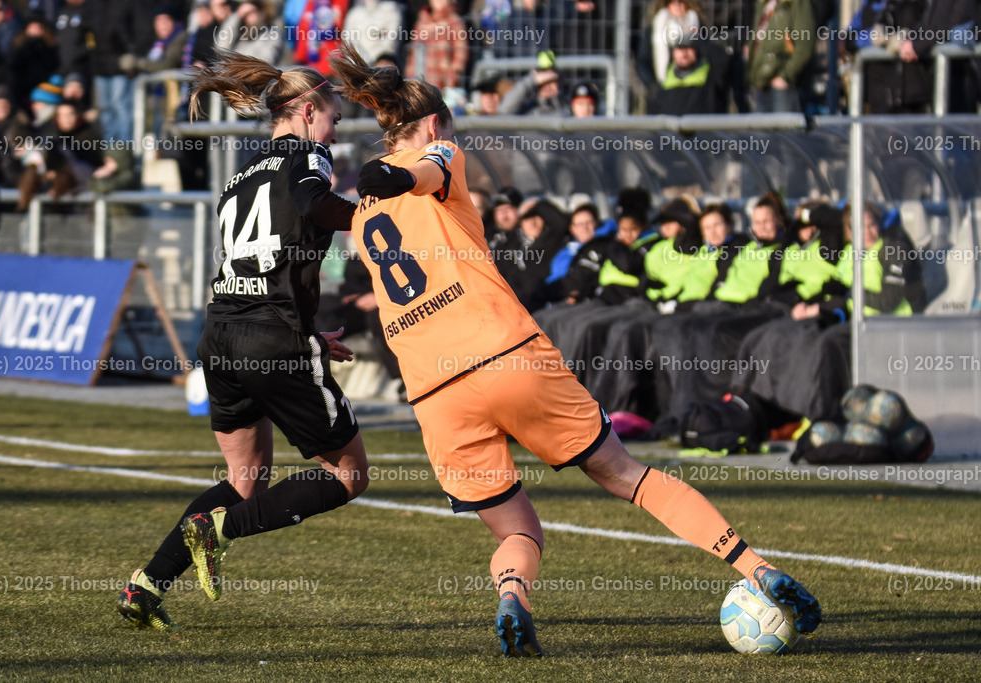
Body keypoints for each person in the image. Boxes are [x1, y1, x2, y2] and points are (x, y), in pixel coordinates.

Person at [328, 40, 821, 657]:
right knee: (625, 474)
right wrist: (404, 169)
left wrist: (373, 178)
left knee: (518, 527)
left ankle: (513, 597)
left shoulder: (366, 209)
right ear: (432, 123)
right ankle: (756, 567)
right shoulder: (441, 152)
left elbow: (382, 188)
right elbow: (427, 168)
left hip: (433, 390)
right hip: (505, 353)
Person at [116, 49, 369, 630]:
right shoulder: (308, 155)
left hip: (223, 334)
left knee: (242, 481)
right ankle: (220, 530)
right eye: (332, 118)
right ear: (307, 112)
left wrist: (303, 334)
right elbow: (314, 204)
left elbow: (260, 259)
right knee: (347, 476)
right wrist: (377, 217)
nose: (334, 132)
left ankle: (148, 584)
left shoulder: (241, 174)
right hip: (270, 338)